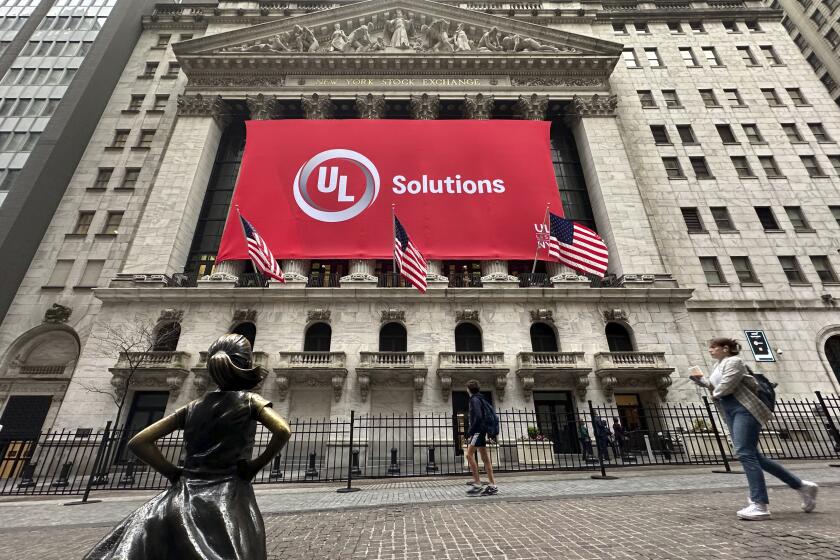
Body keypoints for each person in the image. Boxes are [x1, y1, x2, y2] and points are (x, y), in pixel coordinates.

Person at [83, 334, 292, 559]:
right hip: (227, 495)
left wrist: (173, 473)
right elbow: (282, 430)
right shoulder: (249, 400)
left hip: (181, 495)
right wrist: (255, 466)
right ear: (245, 366)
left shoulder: (192, 406)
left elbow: (138, 442)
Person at [690, 337, 818, 521]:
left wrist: (715, 394)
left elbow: (727, 385)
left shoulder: (735, 361)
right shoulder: (718, 366)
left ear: (725, 348)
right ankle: (801, 486)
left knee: (744, 453)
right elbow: (717, 386)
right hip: (730, 410)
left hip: (745, 408)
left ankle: (759, 504)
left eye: (713, 347)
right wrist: (703, 382)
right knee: (755, 456)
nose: (710, 350)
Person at [464, 379, 498, 496]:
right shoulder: (481, 398)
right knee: (485, 458)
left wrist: (471, 430)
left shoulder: (474, 400)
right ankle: (492, 485)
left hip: (478, 431)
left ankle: (478, 483)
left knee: (469, 455)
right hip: (482, 430)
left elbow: (478, 416)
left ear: (468, 389)